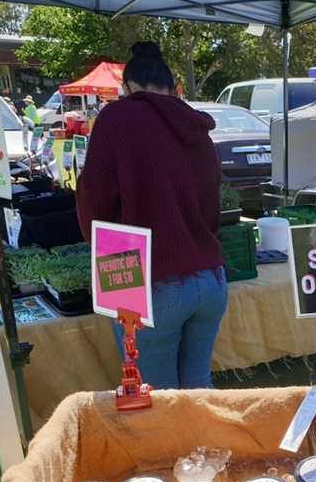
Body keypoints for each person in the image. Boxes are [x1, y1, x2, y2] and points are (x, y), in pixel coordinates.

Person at [77, 42, 227, 389]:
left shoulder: (116, 118)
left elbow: (95, 202)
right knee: (199, 393)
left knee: (156, 403)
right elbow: (212, 208)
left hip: (150, 280)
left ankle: (185, 446)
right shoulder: (198, 129)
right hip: (210, 278)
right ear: (172, 87)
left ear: (127, 88)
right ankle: (206, 446)